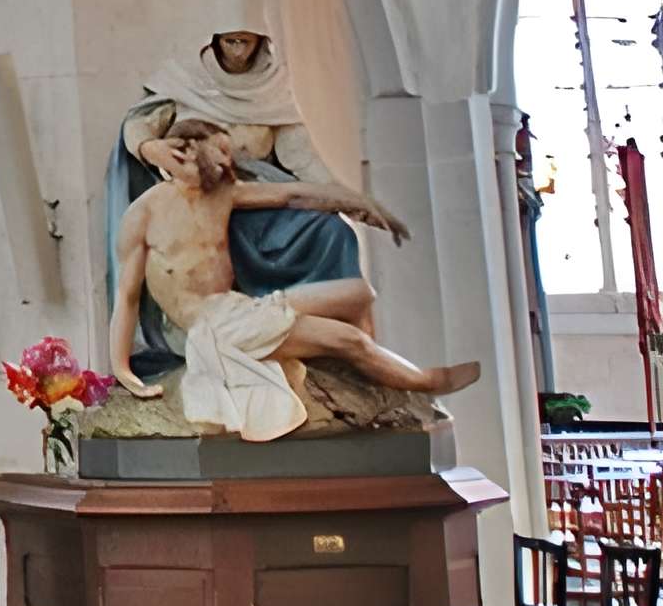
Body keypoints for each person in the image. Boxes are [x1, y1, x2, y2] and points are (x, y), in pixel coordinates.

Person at [109, 119, 475, 439]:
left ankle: (383, 376)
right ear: (184, 151)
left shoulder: (222, 195)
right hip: (216, 330)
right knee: (350, 332)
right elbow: (127, 298)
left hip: (243, 311)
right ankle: (421, 380)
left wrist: (363, 204)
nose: (227, 161)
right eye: (219, 151)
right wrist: (122, 371)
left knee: (358, 299)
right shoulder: (143, 214)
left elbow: (295, 193)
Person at [105, 0, 368, 373]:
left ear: (261, 43)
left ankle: (333, 351)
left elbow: (301, 162)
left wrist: (344, 198)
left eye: (246, 41)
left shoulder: (272, 90)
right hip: (205, 206)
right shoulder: (185, 82)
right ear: (214, 42)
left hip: (261, 199)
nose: (239, 51)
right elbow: (139, 125)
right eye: (231, 42)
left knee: (334, 232)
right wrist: (152, 148)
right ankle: (270, 331)